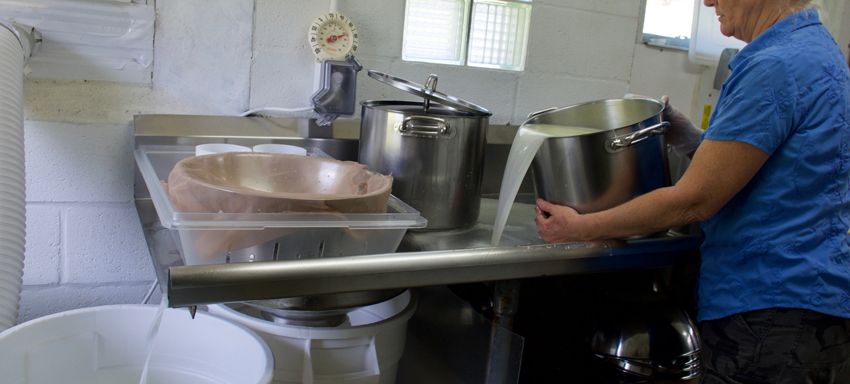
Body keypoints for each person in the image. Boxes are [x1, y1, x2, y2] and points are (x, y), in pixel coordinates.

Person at [534, 0, 850, 382]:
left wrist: (580, 228)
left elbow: (695, 199)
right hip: (813, 306)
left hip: (768, 310)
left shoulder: (774, 66)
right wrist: (688, 137)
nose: (708, 2)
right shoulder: (819, 51)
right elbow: (770, 170)